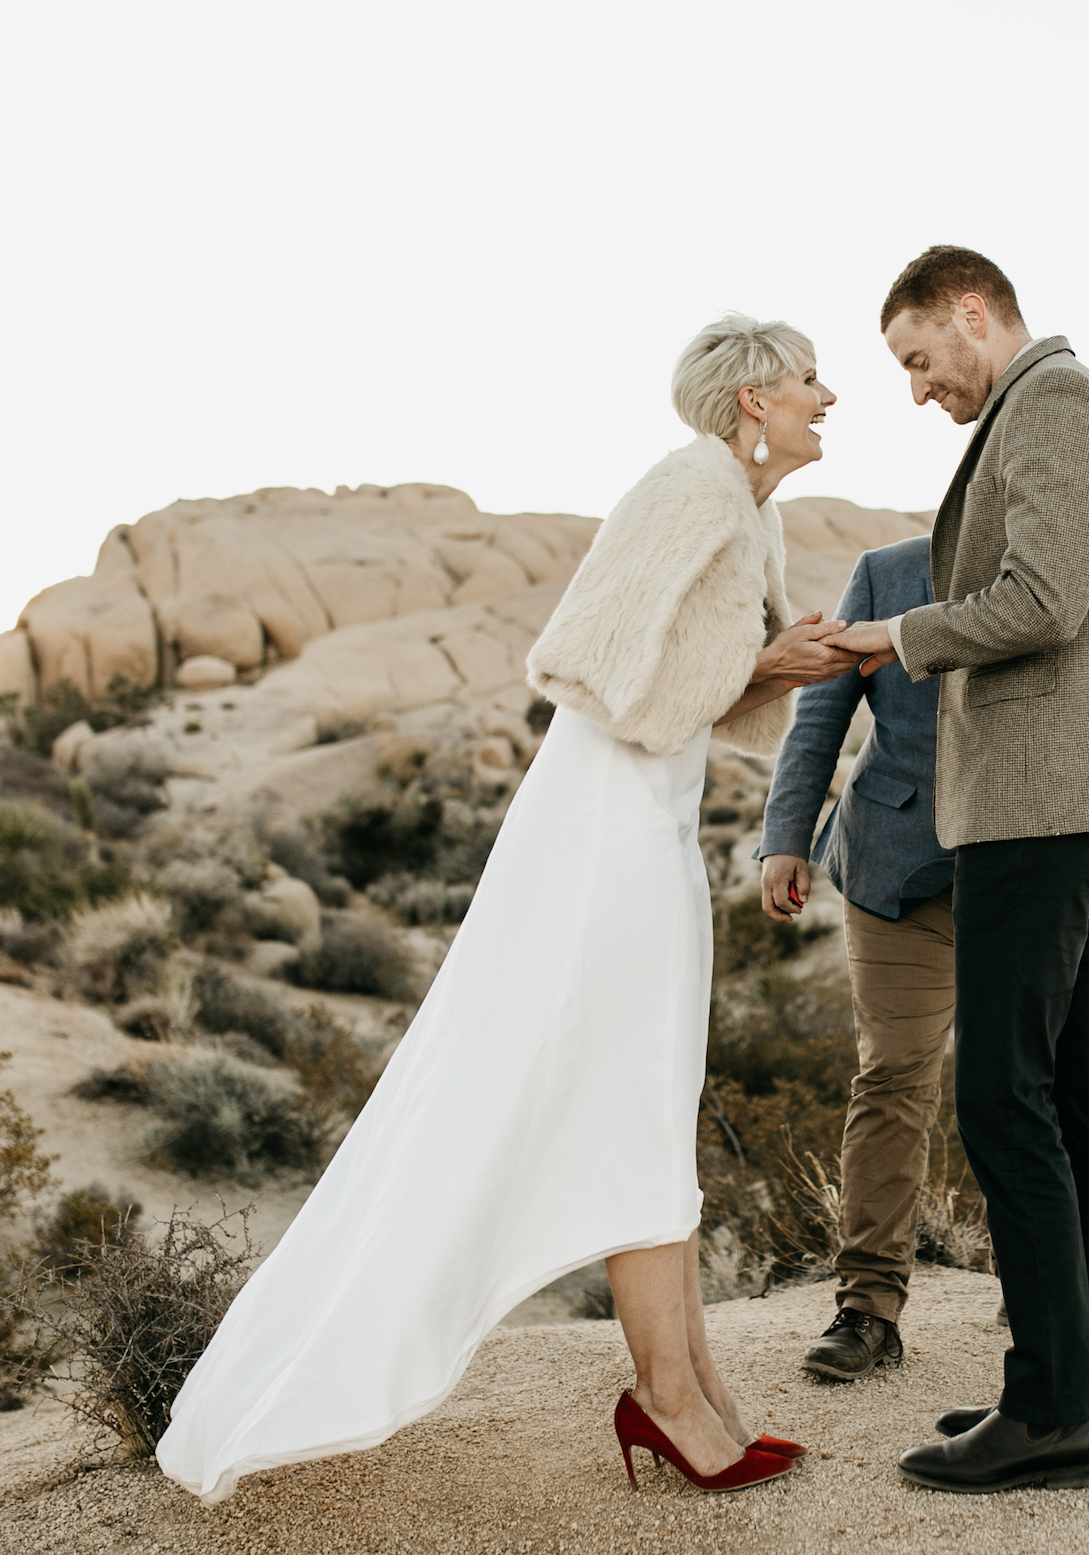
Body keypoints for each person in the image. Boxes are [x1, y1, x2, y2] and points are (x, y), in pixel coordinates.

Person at [156, 315, 856, 1505]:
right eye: (804, 378)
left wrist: (780, 664)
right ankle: (671, 1400)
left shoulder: (751, 509)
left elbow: (694, 685)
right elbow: (582, 664)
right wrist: (774, 667)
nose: (825, 394)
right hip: (599, 829)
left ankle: (690, 1384)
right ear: (749, 400)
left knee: (652, 1089)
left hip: (649, 821)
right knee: (631, 1088)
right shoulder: (689, 487)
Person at [825, 247, 1089, 1494]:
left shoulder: (1057, 401)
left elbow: (1042, 600)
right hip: (1060, 804)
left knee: (1006, 1096)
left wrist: (891, 635)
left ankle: (1049, 1410)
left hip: (1041, 807)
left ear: (974, 314)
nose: (917, 389)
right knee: (1079, 1095)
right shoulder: (1040, 407)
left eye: (919, 359)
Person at [755, 539, 1089, 1385]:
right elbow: (821, 718)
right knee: (893, 1078)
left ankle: (1043, 1295)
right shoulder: (888, 572)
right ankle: (867, 1308)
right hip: (898, 865)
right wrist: (785, 837)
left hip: (1032, 870)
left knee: (1038, 1082)